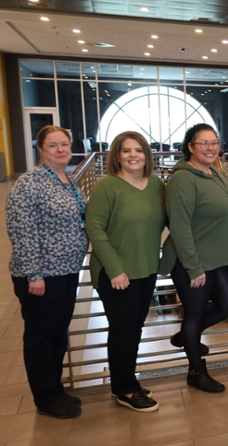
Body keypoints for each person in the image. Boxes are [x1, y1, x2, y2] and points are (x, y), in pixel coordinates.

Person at [6, 125, 89, 419]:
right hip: (41, 276)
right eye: (53, 145)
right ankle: (45, 397)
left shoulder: (68, 180)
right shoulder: (30, 184)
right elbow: (21, 230)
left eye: (64, 144)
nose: (61, 150)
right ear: (41, 150)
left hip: (66, 272)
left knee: (57, 334)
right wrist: (33, 274)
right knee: (41, 337)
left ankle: (54, 388)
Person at [159, 123, 228, 392]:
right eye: (203, 142)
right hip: (190, 260)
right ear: (190, 147)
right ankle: (196, 371)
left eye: (214, 142)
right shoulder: (183, 179)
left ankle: (187, 336)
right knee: (194, 314)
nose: (210, 147)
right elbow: (179, 227)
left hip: (216, 257)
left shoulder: (214, 172)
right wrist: (194, 268)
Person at [85, 131, 165, 412]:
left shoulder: (156, 184)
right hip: (116, 273)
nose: (133, 155)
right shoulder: (106, 186)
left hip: (145, 268)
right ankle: (124, 390)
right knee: (123, 329)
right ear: (116, 156)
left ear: (147, 155)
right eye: (126, 150)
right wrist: (115, 269)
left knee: (135, 328)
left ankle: (126, 379)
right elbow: (94, 228)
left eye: (139, 150)